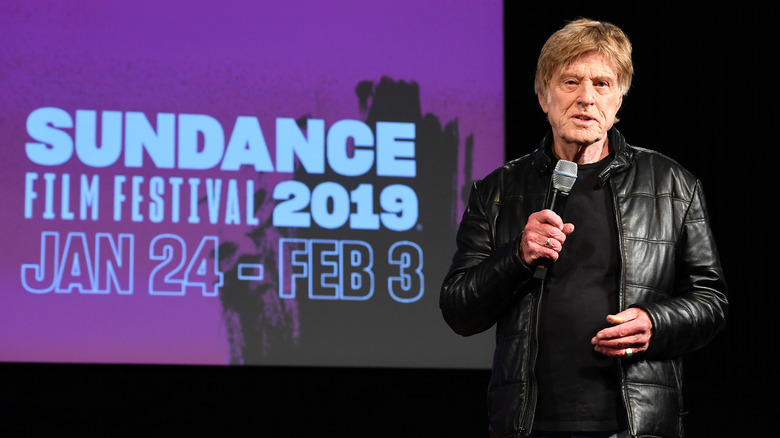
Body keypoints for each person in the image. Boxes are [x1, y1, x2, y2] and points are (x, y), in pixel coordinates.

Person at [439, 18, 728, 438]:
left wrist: (656, 322)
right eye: (570, 82)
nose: (586, 99)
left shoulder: (672, 184)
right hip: (528, 425)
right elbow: (458, 309)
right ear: (543, 96)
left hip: (637, 424)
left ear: (619, 100)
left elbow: (711, 299)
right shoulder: (497, 191)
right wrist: (517, 256)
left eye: (602, 84)